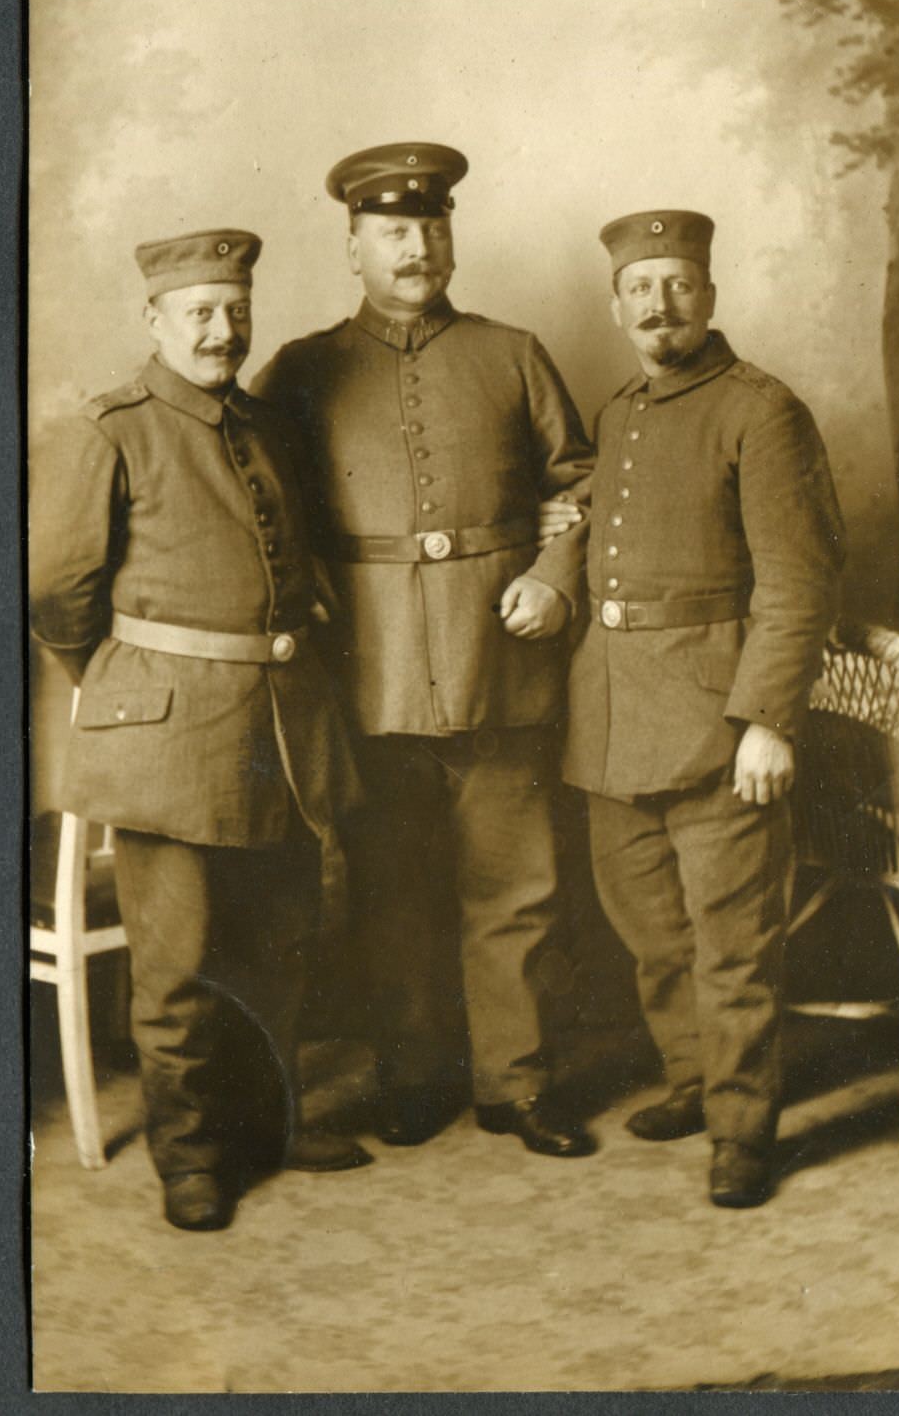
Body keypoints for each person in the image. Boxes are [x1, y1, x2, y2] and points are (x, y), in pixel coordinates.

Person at [253, 143, 597, 1157]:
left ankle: (516, 1086)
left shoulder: (513, 353)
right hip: (373, 674)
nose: (417, 248)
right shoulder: (303, 370)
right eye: (394, 231)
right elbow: (257, 501)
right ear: (353, 247)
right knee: (393, 892)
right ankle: (413, 1077)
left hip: (504, 668)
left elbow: (582, 486)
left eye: (432, 228)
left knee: (517, 888)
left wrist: (554, 577)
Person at [30, 229, 370, 1232]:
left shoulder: (263, 424)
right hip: (166, 740)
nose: (222, 331)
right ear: (155, 320)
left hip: (278, 726)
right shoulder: (111, 430)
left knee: (279, 939)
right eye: (200, 314)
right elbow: (55, 590)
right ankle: (190, 1156)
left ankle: (269, 1125)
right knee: (177, 964)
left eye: (235, 311)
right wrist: (122, 681)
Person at [562, 210, 845, 1206]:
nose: (660, 305)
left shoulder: (761, 411)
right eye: (641, 288)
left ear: (710, 296)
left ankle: (741, 1130)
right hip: (611, 719)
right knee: (651, 932)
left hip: (719, 720)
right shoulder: (619, 414)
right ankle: (693, 1080)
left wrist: (768, 720)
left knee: (732, 944)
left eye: (679, 284)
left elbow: (799, 583)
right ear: (618, 306)